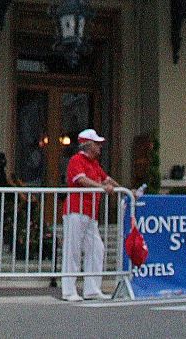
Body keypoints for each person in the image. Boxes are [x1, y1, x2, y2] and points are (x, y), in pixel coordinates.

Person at [61, 128, 118, 302]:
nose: (100, 146)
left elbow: (107, 179)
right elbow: (81, 180)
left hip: (90, 212)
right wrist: (102, 187)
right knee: (72, 251)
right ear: (88, 145)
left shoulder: (95, 164)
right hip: (75, 211)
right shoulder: (76, 160)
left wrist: (122, 189)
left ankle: (92, 289)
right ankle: (69, 291)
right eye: (97, 143)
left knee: (97, 249)